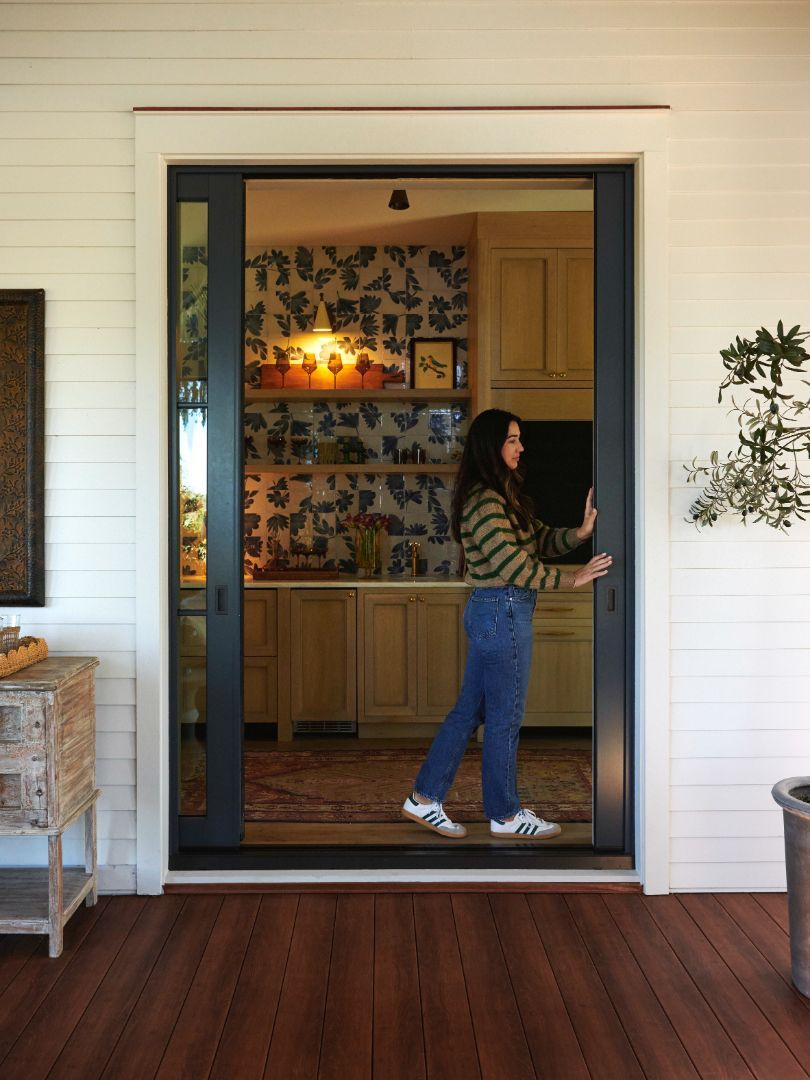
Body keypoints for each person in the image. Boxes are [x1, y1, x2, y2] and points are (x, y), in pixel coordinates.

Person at [401, 408, 612, 840]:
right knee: (504, 717)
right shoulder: (484, 501)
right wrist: (572, 579)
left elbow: (536, 542)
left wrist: (580, 534)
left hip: (496, 611)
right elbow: (515, 565)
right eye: (512, 439)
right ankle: (506, 814)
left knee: (472, 711)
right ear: (491, 446)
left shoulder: (499, 496)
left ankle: (423, 799)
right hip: (502, 611)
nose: (520, 447)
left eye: (519, 439)